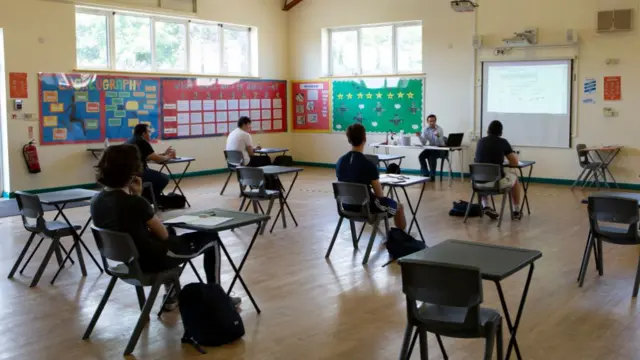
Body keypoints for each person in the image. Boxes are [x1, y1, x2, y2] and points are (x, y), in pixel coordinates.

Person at [90, 144, 240, 310]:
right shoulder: (135, 203)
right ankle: (219, 297)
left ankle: (172, 295)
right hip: (150, 261)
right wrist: (140, 198)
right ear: (132, 172)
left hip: (128, 261)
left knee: (172, 230)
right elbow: (163, 235)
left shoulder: (96, 201)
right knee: (212, 239)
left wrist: (138, 198)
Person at [336, 123, 407, 230]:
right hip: (366, 208)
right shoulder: (368, 164)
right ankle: (403, 238)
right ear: (364, 138)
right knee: (399, 207)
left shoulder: (340, 161)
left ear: (349, 140)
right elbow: (380, 195)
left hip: (346, 206)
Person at [474, 120, 522, 219]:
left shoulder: (480, 141)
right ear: (501, 131)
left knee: (484, 176)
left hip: (477, 183)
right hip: (496, 183)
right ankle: (516, 211)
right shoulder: (503, 142)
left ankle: (486, 205)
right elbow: (514, 163)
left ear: (488, 130)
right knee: (515, 179)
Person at [126, 123, 173, 201]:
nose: (150, 134)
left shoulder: (130, 140)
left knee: (157, 176)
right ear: (143, 133)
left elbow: (148, 156)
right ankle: (152, 199)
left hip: (128, 173)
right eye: (149, 132)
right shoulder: (142, 142)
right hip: (139, 174)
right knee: (164, 178)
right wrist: (168, 157)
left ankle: (147, 197)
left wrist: (164, 154)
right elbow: (157, 159)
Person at [416, 114, 447, 180]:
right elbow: (424, 142)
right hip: (431, 148)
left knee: (432, 155)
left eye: (433, 121)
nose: (432, 123)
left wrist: (438, 136)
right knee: (421, 156)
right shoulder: (425, 129)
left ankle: (432, 175)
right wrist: (419, 136)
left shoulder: (439, 129)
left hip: (440, 149)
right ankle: (426, 174)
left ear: (435, 121)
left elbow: (441, 143)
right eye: (430, 121)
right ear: (427, 122)